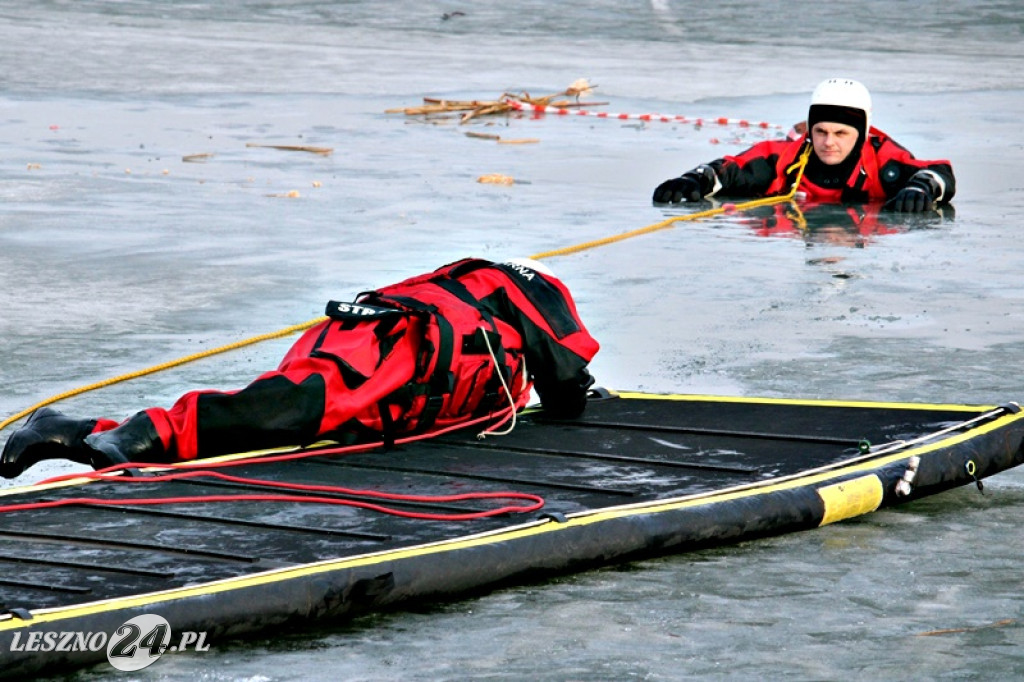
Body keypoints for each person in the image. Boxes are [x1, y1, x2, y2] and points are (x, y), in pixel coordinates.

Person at [1, 257, 600, 478]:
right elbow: (567, 381)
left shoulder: (484, 281)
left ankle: (73, 431)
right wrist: (576, 395)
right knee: (276, 413)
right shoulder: (535, 287)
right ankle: (137, 432)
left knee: (269, 419)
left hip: (386, 369)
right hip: (392, 354)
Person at [652, 78, 955, 212]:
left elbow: (935, 172)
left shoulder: (882, 157)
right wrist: (693, 178)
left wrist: (921, 188)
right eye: (820, 131)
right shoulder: (784, 157)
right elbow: (729, 169)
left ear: (861, 134)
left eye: (841, 134)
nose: (828, 143)